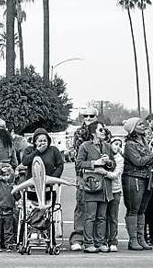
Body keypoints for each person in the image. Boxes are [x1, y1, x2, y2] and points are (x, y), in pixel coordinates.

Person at [76, 121, 115, 253]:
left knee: (102, 217)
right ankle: (88, 243)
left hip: (105, 186)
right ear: (93, 132)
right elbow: (79, 163)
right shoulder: (85, 146)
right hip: (91, 185)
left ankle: (100, 242)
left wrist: (108, 162)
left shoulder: (107, 146)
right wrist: (95, 163)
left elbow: (113, 164)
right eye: (100, 130)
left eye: (103, 130)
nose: (103, 132)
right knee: (90, 216)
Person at [122, 117, 153, 251]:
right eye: (139, 124)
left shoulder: (145, 141)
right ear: (132, 128)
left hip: (146, 178)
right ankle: (133, 240)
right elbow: (139, 161)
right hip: (133, 178)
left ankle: (141, 239)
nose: (143, 126)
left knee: (142, 210)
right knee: (133, 209)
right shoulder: (130, 145)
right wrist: (152, 155)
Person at [69, 107, 99, 252]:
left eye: (91, 115)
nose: (88, 117)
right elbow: (78, 158)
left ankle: (97, 238)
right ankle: (77, 238)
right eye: (85, 115)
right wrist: (79, 176)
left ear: (96, 116)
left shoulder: (103, 131)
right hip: (83, 174)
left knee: (99, 208)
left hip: (102, 174)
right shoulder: (79, 133)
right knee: (81, 206)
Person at [0, 164, 17, 253]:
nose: (5, 177)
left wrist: (16, 191)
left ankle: (9, 244)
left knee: (9, 230)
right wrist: (0, 170)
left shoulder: (12, 186)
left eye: (7, 175)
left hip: (9, 210)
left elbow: (18, 197)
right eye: (4, 175)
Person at [105, 137, 124, 252]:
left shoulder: (119, 159)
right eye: (115, 144)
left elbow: (116, 174)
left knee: (113, 216)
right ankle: (102, 239)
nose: (117, 146)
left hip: (115, 190)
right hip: (104, 189)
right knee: (102, 216)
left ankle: (112, 240)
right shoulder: (104, 155)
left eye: (119, 145)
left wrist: (104, 173)